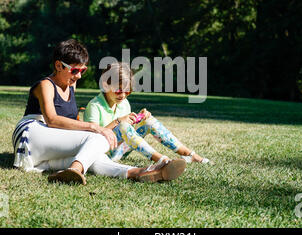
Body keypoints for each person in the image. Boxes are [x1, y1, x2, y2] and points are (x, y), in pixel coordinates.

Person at [11, 39, 186, 184]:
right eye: (75, 70)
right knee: (99, 137)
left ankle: (139, 172)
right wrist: (96, 128)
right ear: (58, 65)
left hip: (47, 145)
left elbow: (66, 119)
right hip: (31, 133)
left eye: (82, 70)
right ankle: (75, 168)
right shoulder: (46, 85)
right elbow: (52, 120)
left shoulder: (71, 84)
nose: (79, 76)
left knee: (93, 155)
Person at [84, 62, 210, 165]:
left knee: (149, 121)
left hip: (121, 149)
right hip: (102, 153)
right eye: (119, 91)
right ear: (105, 85)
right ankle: (161, 160)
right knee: (122, 126)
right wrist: (118, 121)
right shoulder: (95, 106)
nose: (123, 95)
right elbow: (93, 138)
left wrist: (139, 119)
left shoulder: (123, 103)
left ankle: (190, 155)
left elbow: (129, 133)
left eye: (128, 92)